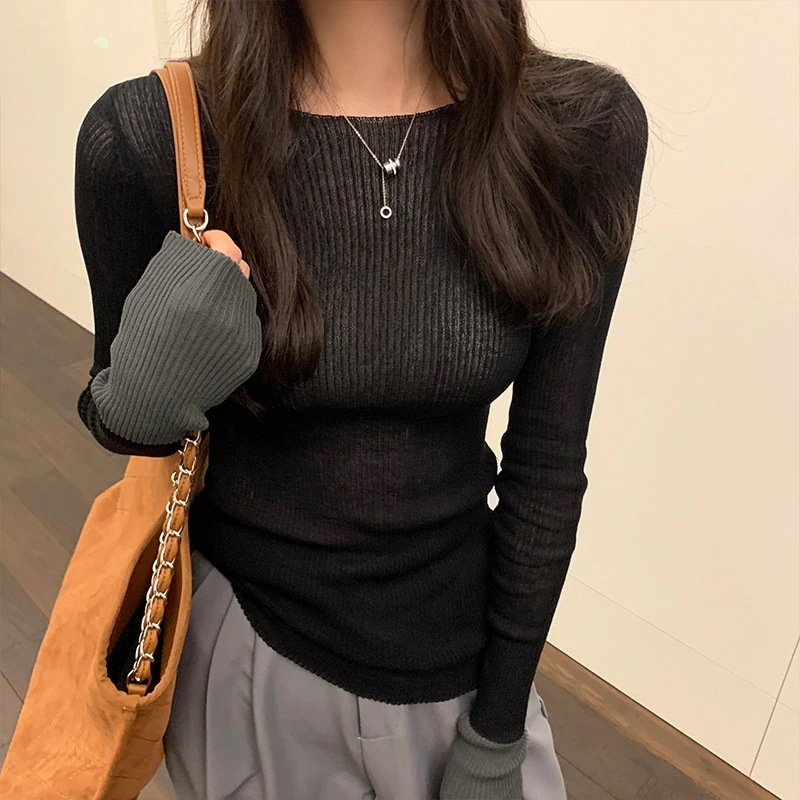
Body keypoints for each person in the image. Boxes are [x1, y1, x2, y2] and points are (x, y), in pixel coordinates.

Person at [74, 1, 649, 798]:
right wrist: (162, 363)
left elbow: (548, 463)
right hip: (250, 659)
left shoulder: (579, 131)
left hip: (462, 658)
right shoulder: (149, 136)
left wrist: (497, 731)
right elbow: (114, 414)